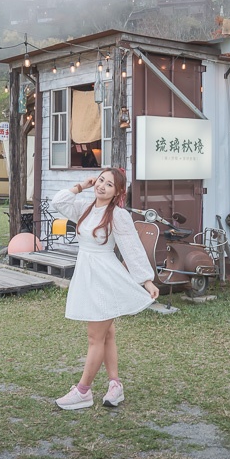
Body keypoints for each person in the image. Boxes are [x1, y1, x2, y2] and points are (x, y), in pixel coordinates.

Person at [50, 167, 159, 410]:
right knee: (107, 334)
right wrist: (82, 185)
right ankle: (115, 385)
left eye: (109, 184)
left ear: (118, 192)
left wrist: (146, 280)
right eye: (101, 180)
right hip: (88, 275)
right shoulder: (85, 208)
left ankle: (83, 391)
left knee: (95, 337)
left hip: (105, 277)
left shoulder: (118, 215)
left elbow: (132, 247)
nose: (102, 186)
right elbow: (59, 201)